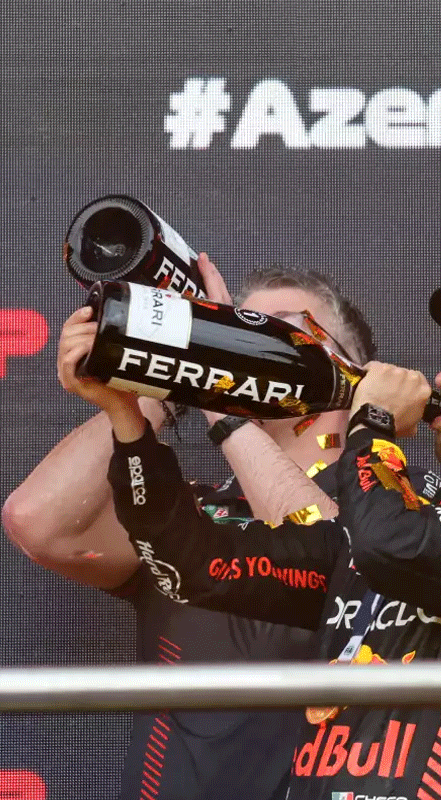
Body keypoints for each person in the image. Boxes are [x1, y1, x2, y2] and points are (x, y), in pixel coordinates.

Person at [93, 286, 441, 800]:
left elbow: (391, 545)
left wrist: (372, 420)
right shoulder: (403, 518)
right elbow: (196, 564)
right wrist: (127, 420)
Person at [2, 255, 378, 800]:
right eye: (237, 331)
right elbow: (40, 523)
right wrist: (160, 377)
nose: (247, 348)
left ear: (353, 373)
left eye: (280, 334)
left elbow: (330, 554)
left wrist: (219, 391)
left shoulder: (390, 507)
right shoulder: (183, 516)